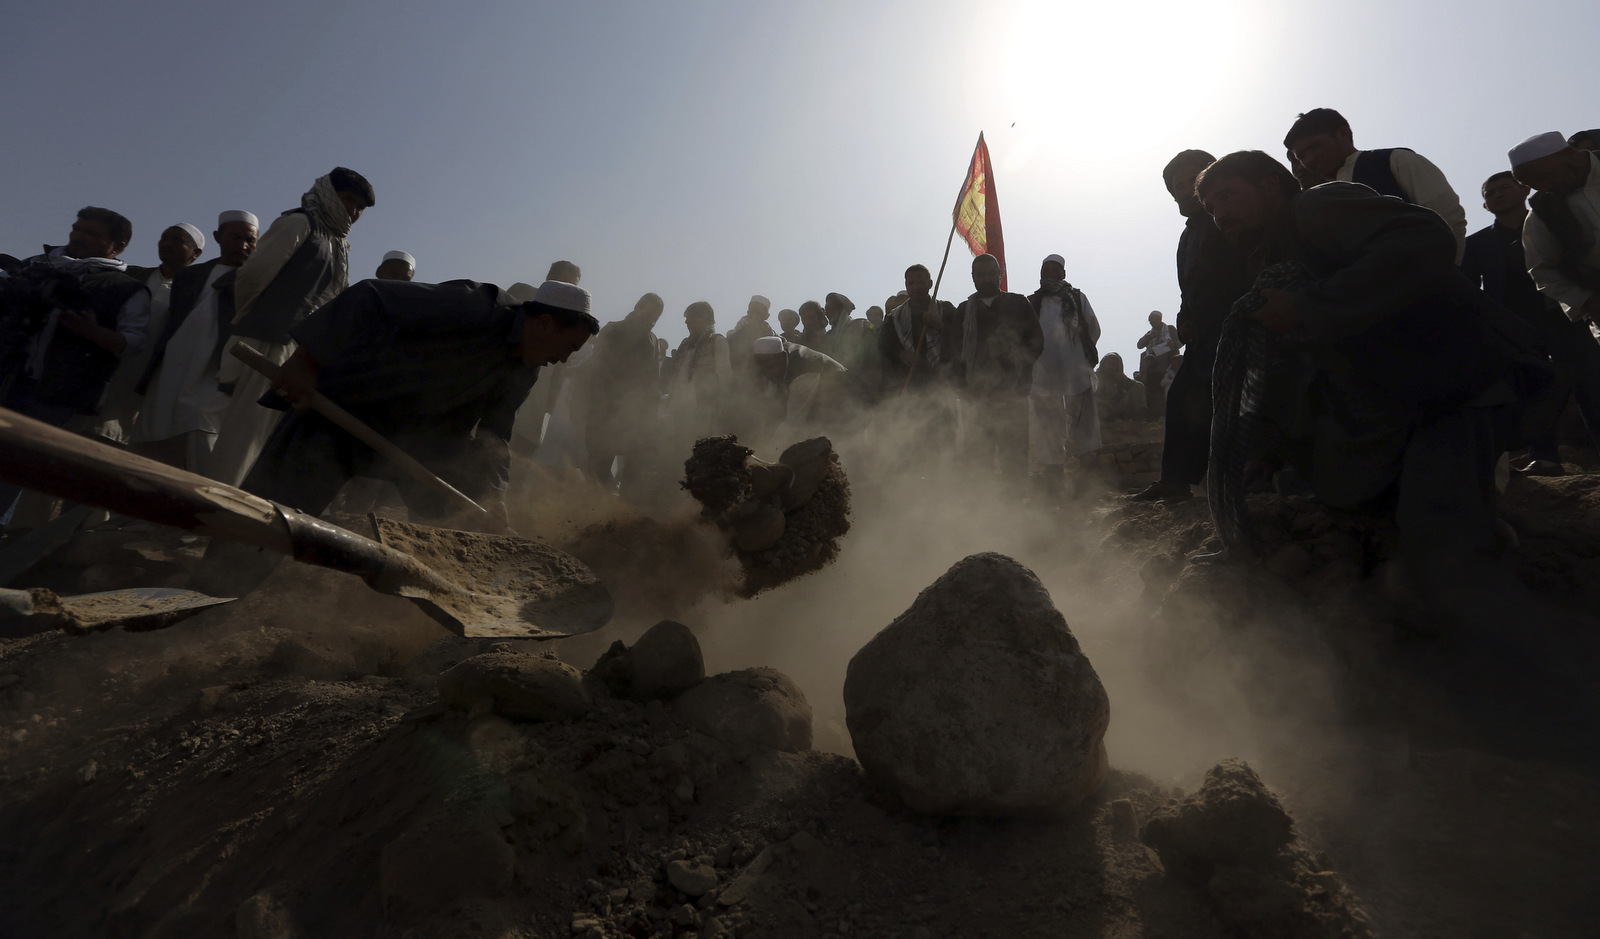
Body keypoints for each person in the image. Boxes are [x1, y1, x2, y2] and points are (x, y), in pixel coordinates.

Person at [1196, 150, 1545, 589]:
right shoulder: (1269, 259)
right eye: (1210, 207)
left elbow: (1424, 238)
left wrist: (1308, 306)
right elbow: (1284, 361)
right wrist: (1267, 449)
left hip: (1453, 387)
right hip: (1391, 403)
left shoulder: (1318, 206)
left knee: (1438, 551)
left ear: (1270, 186)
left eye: (1226, 196)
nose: (1219, 214)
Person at [243, 279, 597, 531]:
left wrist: (493, 495)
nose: (564, 361)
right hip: (342, 414)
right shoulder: (474, 307)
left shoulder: (525, 370)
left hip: (417, 445)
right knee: (269, 521)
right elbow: (369, 295)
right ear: (546, 323)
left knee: (454, 520)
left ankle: (417, 604)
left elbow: (494, 435)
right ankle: (210, 595)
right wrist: (307, 362)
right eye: (568, 348)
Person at [208, 167, 375, 487]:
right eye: (348, 200)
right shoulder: (299, 224)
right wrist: (256, 323)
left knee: (266, 438)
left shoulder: (337, 243)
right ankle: (212, 511)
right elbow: (252, 276)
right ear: (329, 193)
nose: (353, 211)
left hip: (297, 352)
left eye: (360, 208)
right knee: (245, 435)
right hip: (268, 341)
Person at [0, 207, 151, 522]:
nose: (79, 237)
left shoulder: (126, 288)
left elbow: (133, 342)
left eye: (92, 233)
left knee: (14, 469)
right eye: (78, 229)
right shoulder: (33, 267)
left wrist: (93, 333)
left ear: (118, 246)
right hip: (7, 376)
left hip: (54, 393)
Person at [1462, 166, 1600, 476]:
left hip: (1567, 317)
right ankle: (1546, 458)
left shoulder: (1554, 226)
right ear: (1484, 206)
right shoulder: (1478, 244)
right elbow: (1468, 287)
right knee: (1534, 391)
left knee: (1590, 383)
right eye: (1490, 194)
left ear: (1525, 190)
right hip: (1516, 329)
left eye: (1504, 188)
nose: (1497, 196)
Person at [1133, 149, 1252, 503]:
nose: (1184, 190)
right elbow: (1191, 289)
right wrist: (1184, 320)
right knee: (1184, 399)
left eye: (1191, 181)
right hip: (1203, 335)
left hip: (1239, 327)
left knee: (1236, 405)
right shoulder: (1189, 236)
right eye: (1177, 186)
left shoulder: (1232, 218)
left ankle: (1244, 485)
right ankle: (1176, 481)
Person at [130, 211, 260, 469]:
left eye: (250, 240)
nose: (243, 245)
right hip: (173, 367)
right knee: (154, 434)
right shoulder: (189, 276)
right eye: (235, 237)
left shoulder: (258, 278)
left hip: (217, 370)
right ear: (218, 237)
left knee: (202, 429)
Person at [1284, 108, 1468, 260]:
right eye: (1302, 156)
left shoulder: (1394, 161)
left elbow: (1449, 218)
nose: (1310, 159)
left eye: (1315, 146)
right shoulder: (1318, 199)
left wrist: (1443, 277)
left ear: (1343, 133)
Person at [94, 223, 206, 443]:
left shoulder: (199, 295)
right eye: (164, 237)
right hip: (109, 366)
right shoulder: (130, 275)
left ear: (196, 253)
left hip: (148, 378)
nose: (167, 243)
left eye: (178, 240)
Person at [953, 253, 1044, 479]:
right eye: (980, 275)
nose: (986, 279)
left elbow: (1036, 341)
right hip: (976, 395)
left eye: (991, 273)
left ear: (1000, 274)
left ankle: (1015, 506)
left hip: (1011, 392)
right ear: (973, 278)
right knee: (978, 454)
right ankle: (984, 508)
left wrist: (1020, 375)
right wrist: (962, 388)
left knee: (1014, 453)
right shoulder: (964, 310)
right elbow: (954, 352)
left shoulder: (1018, 303)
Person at [1027, 254, 1101, 502]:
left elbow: (1092, 327)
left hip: (1074, 367)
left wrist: (1078, 353)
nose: (1049, 273)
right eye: (1045, 269)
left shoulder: (1077, 298)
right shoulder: (1032, 301)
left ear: (1063, 273)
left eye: (1054, 269)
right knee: (1048, 422)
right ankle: (1053, 475)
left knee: (1084, 418)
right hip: (1043, 370)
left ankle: (1086, 476)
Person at [583, 292, 665, 488]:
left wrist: (652, 408)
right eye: (649, 316)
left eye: (656, 319)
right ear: (638, 307)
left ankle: (622, 510)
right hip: (606, 409)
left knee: (634, 466)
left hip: (636, 414)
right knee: (599, 465)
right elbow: (597, 368)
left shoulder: (653, 339)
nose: (652, 322)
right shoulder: (614, 329)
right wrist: (598, 403)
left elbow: (653, 378)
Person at [752, 335, 847, 439]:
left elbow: (793, 423)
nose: (766, 374)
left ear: (782, 357)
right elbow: (769, 407)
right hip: (821, 403)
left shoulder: (804, 371)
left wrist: (770, 448)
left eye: (769, 367)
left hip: (847, 397)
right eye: (762, 369)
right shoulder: (774, 365)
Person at [879, 263, 955, 393]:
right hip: (906, 382)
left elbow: (961, 336)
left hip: (942, 382)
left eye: (920, 283)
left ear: (930, 284)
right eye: (911, 283)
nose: (916, 287)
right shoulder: (894, 317)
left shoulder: (946, 309)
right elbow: (883, 345)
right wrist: (900, 354)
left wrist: (938, 325)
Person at [665, 301, 731, 441]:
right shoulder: (684, 344)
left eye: (690, 317)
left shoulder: (717, 341)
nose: (686, 322)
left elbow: (724, 379)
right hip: (677, 410)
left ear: (704, 318)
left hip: (701, 411)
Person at [1135, 310, 1179, 417]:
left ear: (1159, 319)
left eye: (1153, 320)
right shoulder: (1150, 333)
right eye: (1150, 321)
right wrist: (1150, 336)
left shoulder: (1170, 329)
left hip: (1167, 361)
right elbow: (1139, 345)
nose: (1151, 323)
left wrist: (1173, 344)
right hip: (1152, 363)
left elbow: (1180, 341)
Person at [1094, 353, 1145, 421]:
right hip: (1099, 407)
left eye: (1115, 364)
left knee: (1139, 386)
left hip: (1118, 408)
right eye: (1109, 363)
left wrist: (1126, 380)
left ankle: (1137, 418)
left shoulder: (1120, 379)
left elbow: (1133, 389)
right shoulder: (1094, 377)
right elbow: (1088, 397)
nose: (1111, 366)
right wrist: (1105, 403)